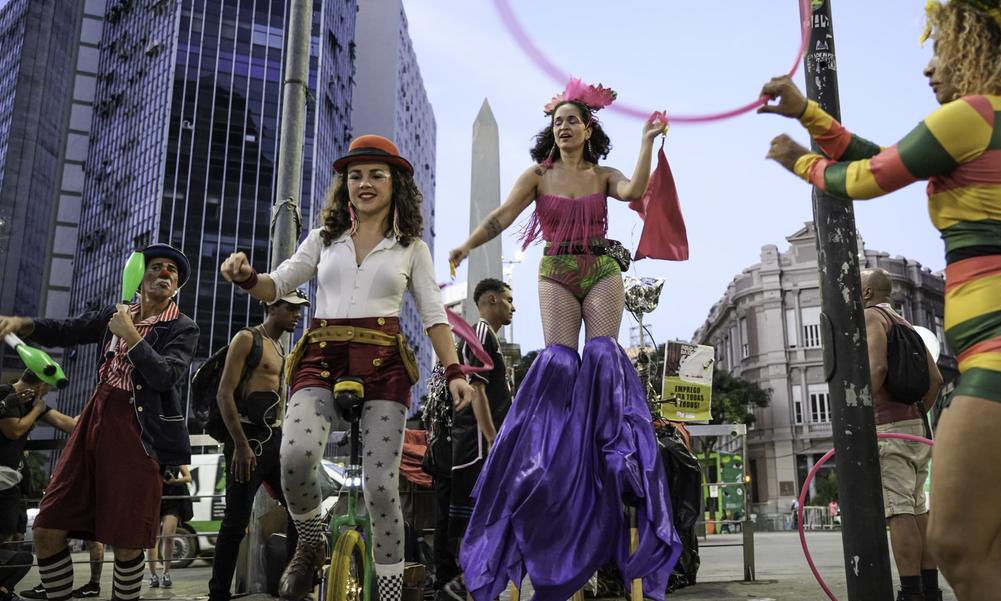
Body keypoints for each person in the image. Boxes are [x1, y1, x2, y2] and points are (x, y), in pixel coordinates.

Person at [760, 2, 1001, 599]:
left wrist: (797, 160)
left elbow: (863, 178)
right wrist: (809, 112)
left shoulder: (973, 114)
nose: (929, 68)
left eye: (943, 51)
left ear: (980, 51)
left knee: (958, 548)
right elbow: (878, 155)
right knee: (967, 548)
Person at [449, 80, 681, 601]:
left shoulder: (602, 175)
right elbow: (501, 217)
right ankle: (552, 439)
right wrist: (467, 245)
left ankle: (609, 438)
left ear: (588, 128)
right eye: (558, 120)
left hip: (600, 266)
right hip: (555, 268)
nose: (564, 125)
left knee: (601, 353)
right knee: (557, 362)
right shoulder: (538, 175)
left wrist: (647, 141)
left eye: (573, 119)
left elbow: (635, 192)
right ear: (552, 131)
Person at [219, 134, 472, 601]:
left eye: (376, 174)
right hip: (322, 358)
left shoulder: (411, 247)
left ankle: (391, 593)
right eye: (355, 175)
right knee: (294, 458)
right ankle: (312, 544)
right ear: (345, 186)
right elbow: (278, 283)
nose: (365, 183)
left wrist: (455, 372)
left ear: (395, 183)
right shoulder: (322, 239)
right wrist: (247, 277)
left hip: (384, 367)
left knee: (380, 488)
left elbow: (434, 315)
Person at [0, 243, 197, 601]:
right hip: (95, 416)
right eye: (155, 266)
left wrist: (131, 334)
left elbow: (166, 376)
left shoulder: (182, 327)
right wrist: (23, 324)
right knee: (47, 527)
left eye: (172, 269)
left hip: (138, 431)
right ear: (139, 276)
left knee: (126, 540)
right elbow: (67, 329)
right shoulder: (115, 311)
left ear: (178, 285)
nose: (164, 272)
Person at [206, 291, 308, 601]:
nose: (297, 314)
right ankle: (218, 594)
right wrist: (239, 444)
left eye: (299, 309)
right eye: (290, 308)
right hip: (247, 440)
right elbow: (224, 394)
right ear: (270, 306)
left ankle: (292, 590)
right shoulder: (248, 339)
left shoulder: (281, 347)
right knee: (236, 521)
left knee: (299, 510)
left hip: (274, 440)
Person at [862, 269, 944, 601]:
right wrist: (915, 413)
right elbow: (936, 380)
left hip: (887, 429)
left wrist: (862, 414)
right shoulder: (906, 323)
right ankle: (930, 589)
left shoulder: (871, 317)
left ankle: (910, 592)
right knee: (918, 508)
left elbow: (877, 368)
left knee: (898, 510)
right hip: (915, 427)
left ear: (866, 293)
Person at [437, 279, 514, 600]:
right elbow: (477, 389)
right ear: (492, 300)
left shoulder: (487, 336)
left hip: (482, 446)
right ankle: (465, 583)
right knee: (483, 520)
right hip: (479, 448)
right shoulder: (481, 332)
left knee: (487, 521)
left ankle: (473, 584)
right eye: (509, 300)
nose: (513, 307)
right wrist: (493, 439)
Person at [0, 371, 76, 601]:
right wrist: (37, 409)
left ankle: (4, 590)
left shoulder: (34, 404)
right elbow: (13, 429)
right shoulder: (6, 393)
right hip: (2, 480)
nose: (48, 393)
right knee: (5, 535)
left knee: (14, 539)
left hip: (11, 483)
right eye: (49, 387)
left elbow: (69, 424)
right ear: (42, 384)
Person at [147, 465, 192, 588]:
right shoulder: (153, 453)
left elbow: (188, 477)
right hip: (154, 498)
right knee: (153, 539)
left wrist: (175, 481)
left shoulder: (176, 455)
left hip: (172, 500)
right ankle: (153, 576)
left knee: (169, 536)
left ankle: (166, 573)